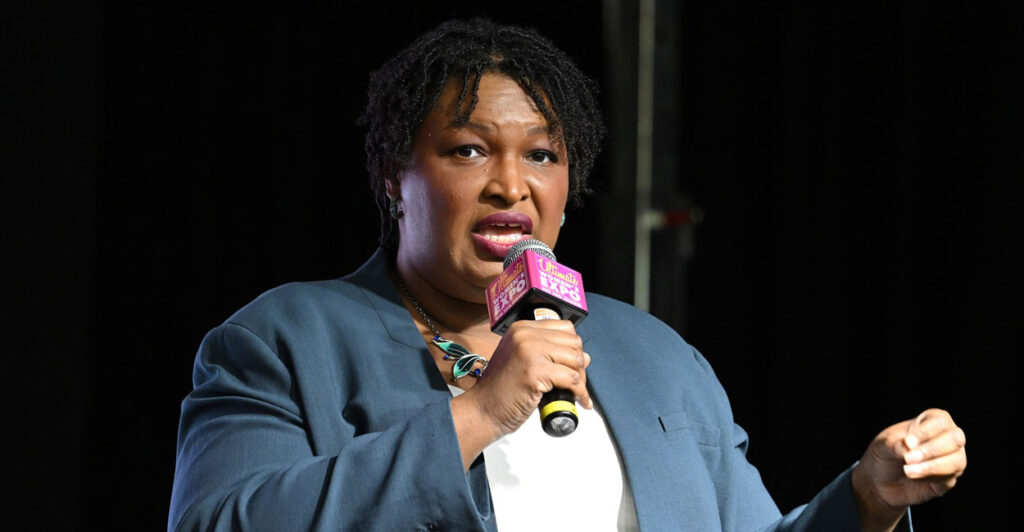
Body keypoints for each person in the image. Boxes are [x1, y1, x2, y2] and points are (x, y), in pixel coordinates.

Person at [168, 18, 966, 531]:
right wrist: (475, 414)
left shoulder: (653, 354)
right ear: (391, 175)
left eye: (542, 155)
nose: (510, 184)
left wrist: (864, 499)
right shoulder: (281, 340)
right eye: (468, 149)